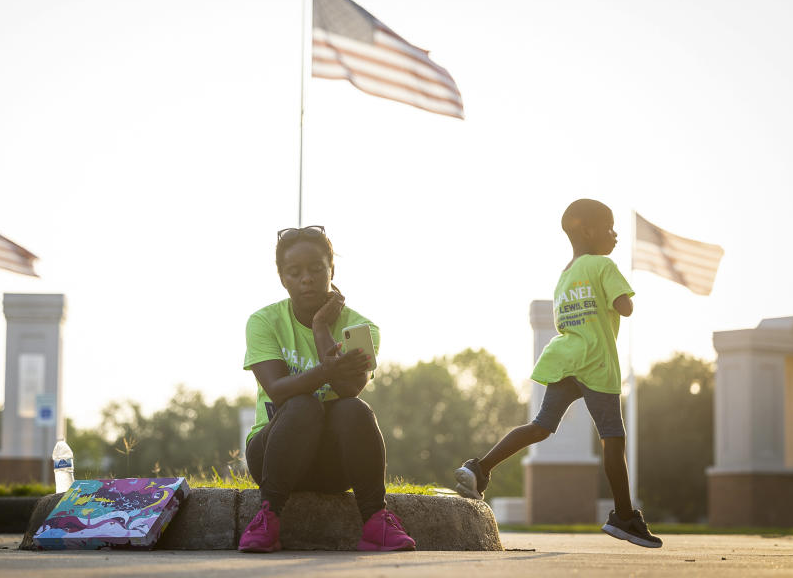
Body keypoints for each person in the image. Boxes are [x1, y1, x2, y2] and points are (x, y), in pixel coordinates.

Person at [453, 199, 663, 549]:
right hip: (596, 362)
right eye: (609, 228)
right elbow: (625, 307)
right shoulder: (603, 265)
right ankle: (625, 516)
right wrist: (621, 294)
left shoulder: (565, 275)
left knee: (540, 426)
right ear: (588, 231)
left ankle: (479, 468)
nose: (615, 235)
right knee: (613, 439)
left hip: (565, 360)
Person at [238, 225, 416, 553]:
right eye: (294, 272)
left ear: (331, 270)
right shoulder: (264, 322)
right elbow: (277, 390)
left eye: (316, 269)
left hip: (334, 466)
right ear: (282, 278)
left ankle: (377, 521)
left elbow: (350, 388)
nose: (306, 278)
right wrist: (326, 369)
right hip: (272, 458)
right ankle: (267, 518)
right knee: (301, 405)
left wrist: (321, 327)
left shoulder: (360, 328)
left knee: (354, 409)